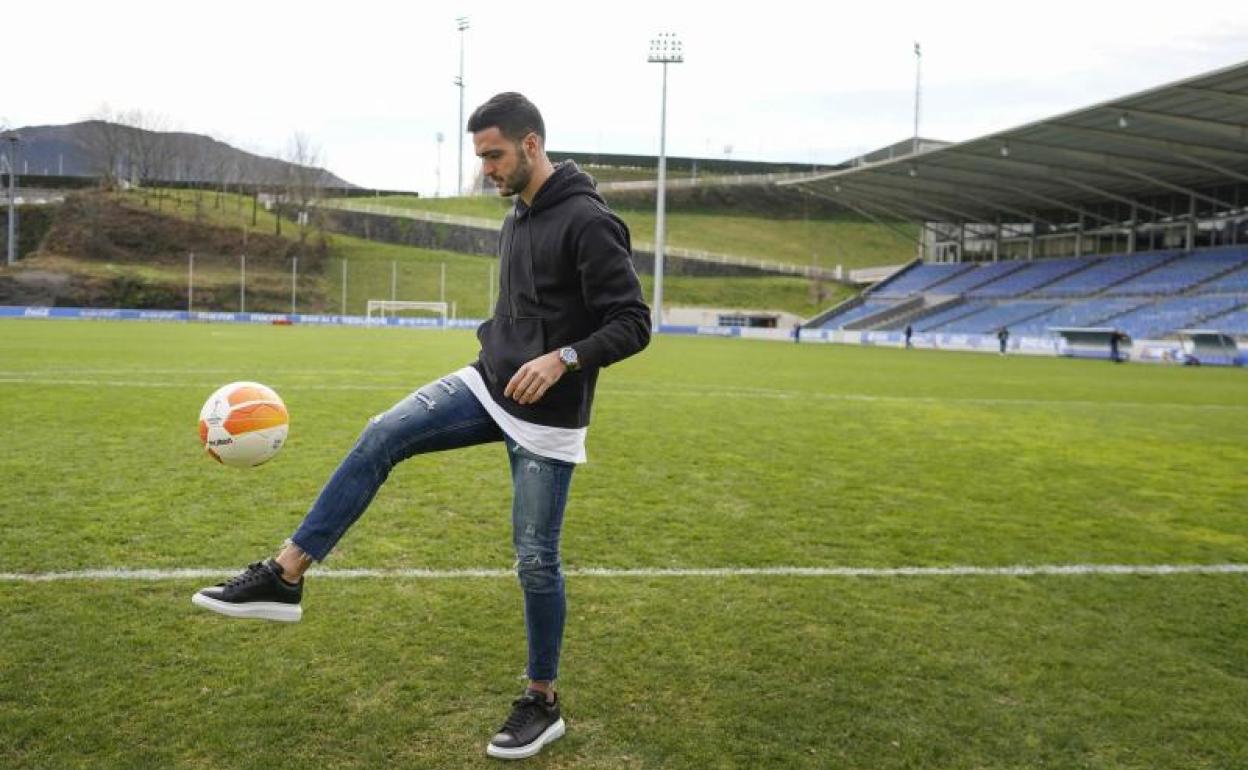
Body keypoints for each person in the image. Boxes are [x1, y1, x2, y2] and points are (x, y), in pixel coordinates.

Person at [190, 92, 651, 761]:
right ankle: (284, 576)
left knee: (535, 559)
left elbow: (633, 322)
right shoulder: (517, 216)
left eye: (494, 155)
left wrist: (565, 358)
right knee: (382, 433)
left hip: (547, 419)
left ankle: (541, 701)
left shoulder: (588, 221)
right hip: (488, 382)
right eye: (481, 157)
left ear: (531, 144)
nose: (486, 169)